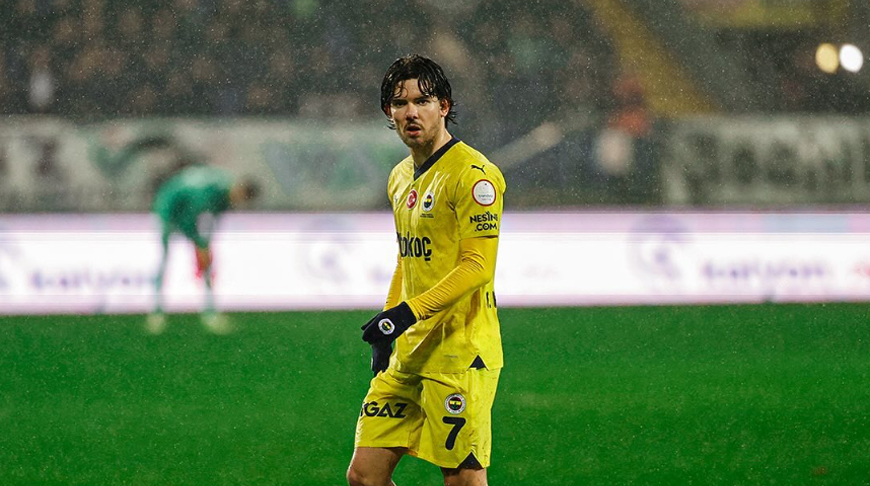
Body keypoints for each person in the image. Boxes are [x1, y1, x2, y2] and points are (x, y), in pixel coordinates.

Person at [347, 55, 506, 486]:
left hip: (459, 353)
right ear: (388, 112)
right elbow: (408, 257)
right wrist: (389, 324)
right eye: (400, 103)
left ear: (445, 107)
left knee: (462, 482)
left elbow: (477, 266)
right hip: (410, 350)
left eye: (423, 100)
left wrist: (406, 314)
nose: (411, 112)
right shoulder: (400, 177)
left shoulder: (474, 176)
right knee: (364, 476)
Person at [146, 164, 259, 334]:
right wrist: (200, 243)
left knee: (206, 261)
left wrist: (204, 245)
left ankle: (209, 311)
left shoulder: (224, 193)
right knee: (165, 259)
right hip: (169, 210)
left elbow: (209, 222)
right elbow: (191, 218)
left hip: (188, 214)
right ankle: (157, 312)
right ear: (239, 189)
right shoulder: (208, 194)